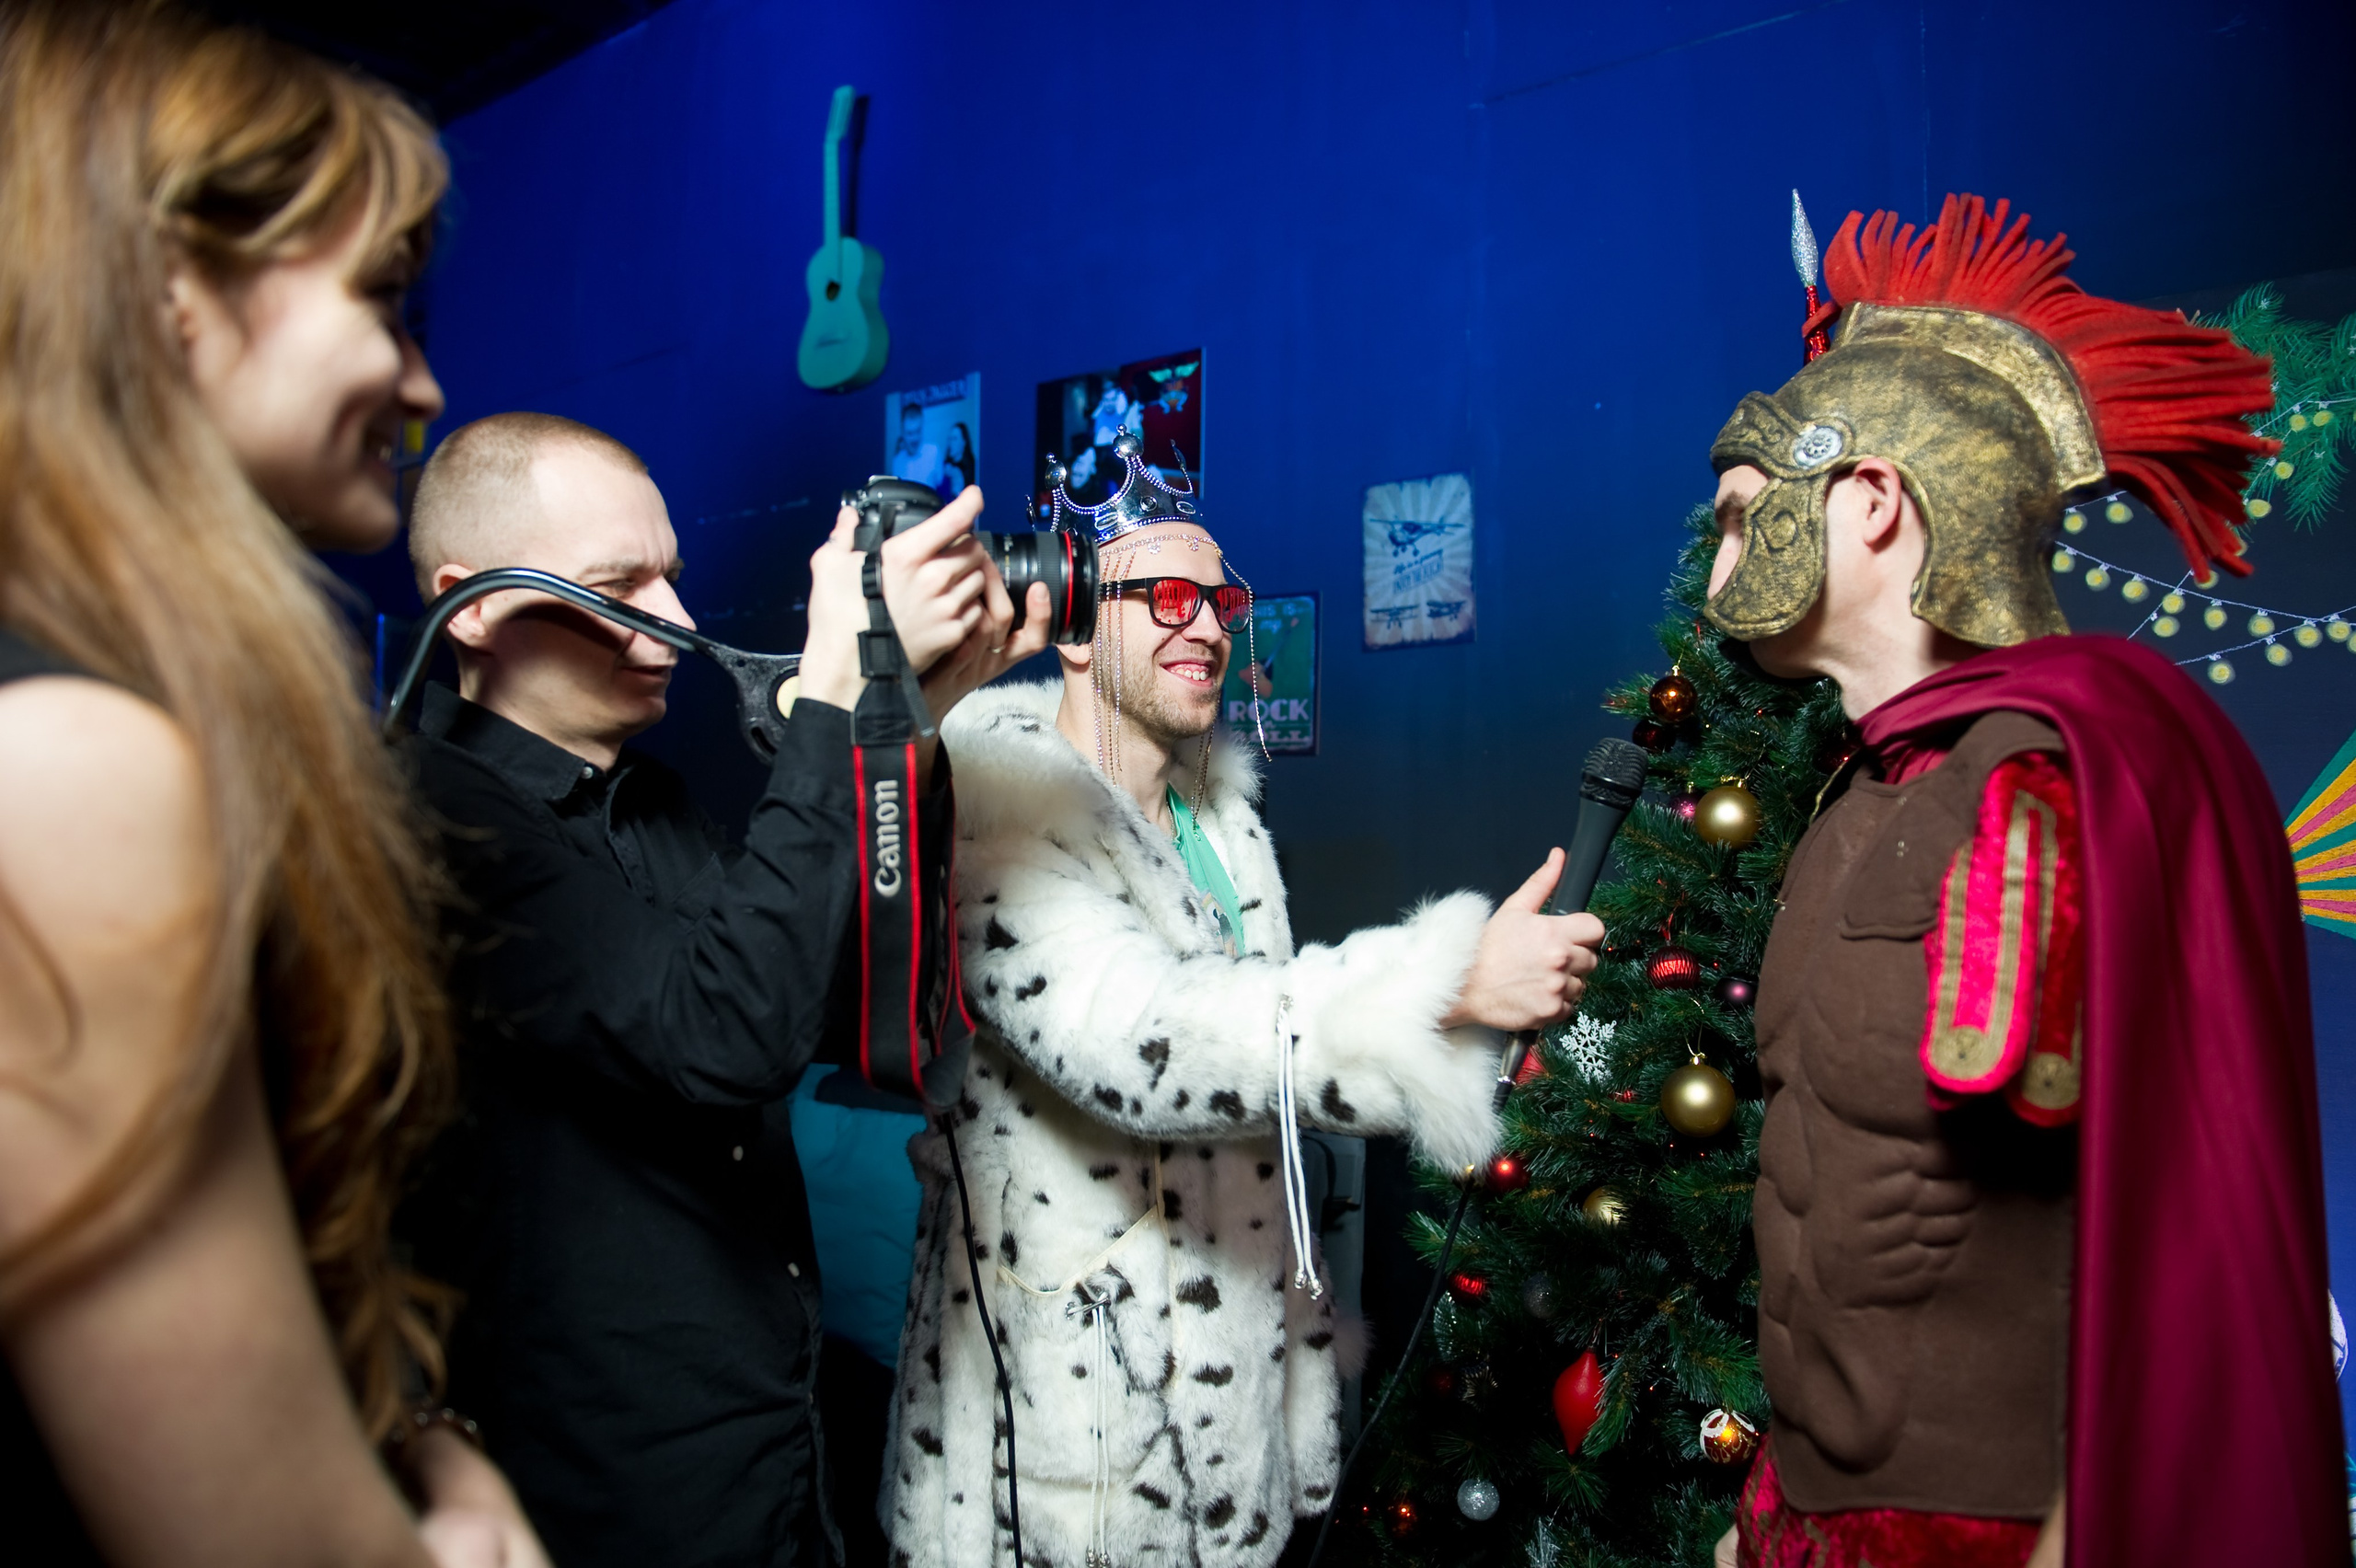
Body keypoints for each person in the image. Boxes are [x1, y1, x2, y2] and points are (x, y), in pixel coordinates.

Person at [1701, 195, 2343, 1568]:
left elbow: (2172, 1208)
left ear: (1873, 501)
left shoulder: (2057, 776)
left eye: (1746, 522)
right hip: (1806, 1504)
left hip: (1987, 1526)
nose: (1720, 578)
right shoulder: (1854, 795)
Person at [0, 5, 548, 1565]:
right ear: (170, 289)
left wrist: (417, 1439)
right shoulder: (72, 763)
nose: (422, 382)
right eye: (382, 302)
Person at [883, 435, 1604, 1568]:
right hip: (1071, 1442)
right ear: (1075, 630)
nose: (1210, 627)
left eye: (1220, 600)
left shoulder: (1220, 822)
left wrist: (1460, 1009)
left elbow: (1255, 1042)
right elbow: (1147, 1038)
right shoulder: (994, 805)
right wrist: (1447, 980)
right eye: (1168, 598)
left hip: (1232, 1419)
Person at [398, 414, 1051, 1567]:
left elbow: (835, 1001)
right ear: (475, 607)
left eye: (671, 575)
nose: (678, 620)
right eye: (621, 585)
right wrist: (836, 691)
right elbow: (726, 1035)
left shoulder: (648, 801)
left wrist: (915, 722)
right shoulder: (427, 819)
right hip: (607, 1500)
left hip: (774, 1454)